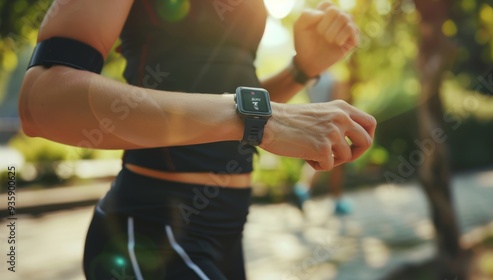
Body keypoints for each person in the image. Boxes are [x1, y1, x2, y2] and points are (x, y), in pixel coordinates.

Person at [18, 1, 376, 279]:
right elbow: (41, 101)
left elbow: (221, 101)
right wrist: (263, 119)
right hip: (150, 234)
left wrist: (301, 70)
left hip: (228, 230)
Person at [293, 72, 354, 215]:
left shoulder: (311, 80)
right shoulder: (333, 79)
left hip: (315, 122)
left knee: (317, 158)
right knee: (338, 162)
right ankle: (337, 200)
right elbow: (337, 105)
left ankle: (302, 189)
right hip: (331, 125)